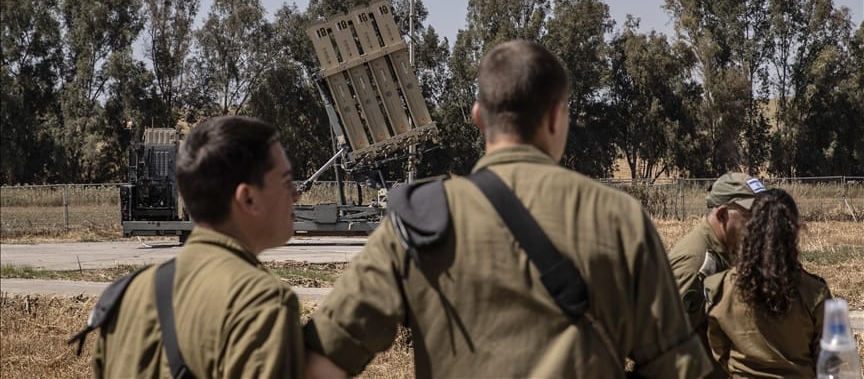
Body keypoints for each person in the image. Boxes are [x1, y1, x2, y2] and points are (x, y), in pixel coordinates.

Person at [303, 40, 711, 378]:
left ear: (479, 118)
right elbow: (675, 367)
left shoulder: (421, 220)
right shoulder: (618, 218)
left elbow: (322, 357)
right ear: (557, 116)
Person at [92, 115, 304, 378]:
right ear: (248, 198)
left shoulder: (125, 296)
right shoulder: (262, 305)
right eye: (285, 182)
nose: (295, 194)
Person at [704, 188, 832, 377]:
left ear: (749, 229)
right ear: (794, 232)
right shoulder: (815, 294)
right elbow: (827, 361)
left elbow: (720, 351)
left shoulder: (720, 288)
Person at [667, 171, 767, 378]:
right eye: (752, 217)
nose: (761, 226)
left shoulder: (729, 248)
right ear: (722, 215)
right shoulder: (698, 263)